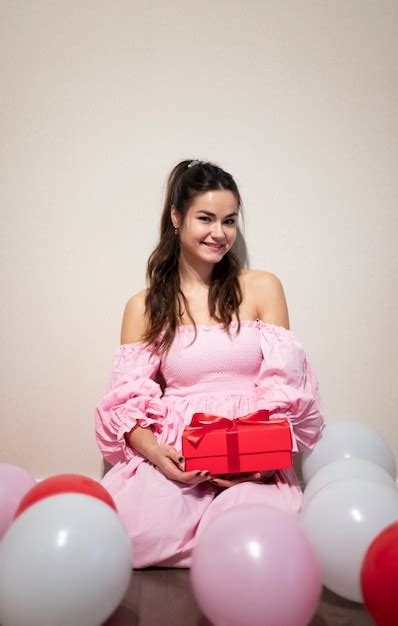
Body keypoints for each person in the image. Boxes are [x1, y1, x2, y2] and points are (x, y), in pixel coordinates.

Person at [95, 158, 325, 569]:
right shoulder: (145, 306)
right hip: (180, 452)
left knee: (252, 536)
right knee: (130, 533)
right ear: (176, 217)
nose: (220, 233)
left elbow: (286, 386)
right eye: (206, 218)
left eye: (229, 221)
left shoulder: (262, 287)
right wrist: (157, 454)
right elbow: (126, 403)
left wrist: (260, 462)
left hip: (251, 450)